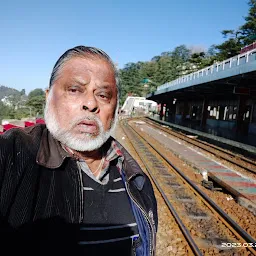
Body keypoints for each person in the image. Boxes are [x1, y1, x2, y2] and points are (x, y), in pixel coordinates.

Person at [0, 46, 157, 256]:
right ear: (49, 97)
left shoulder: (135, 180)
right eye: (74, 90)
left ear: (115, 107)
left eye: (103, 95)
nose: (91, 104)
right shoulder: (12, 153)